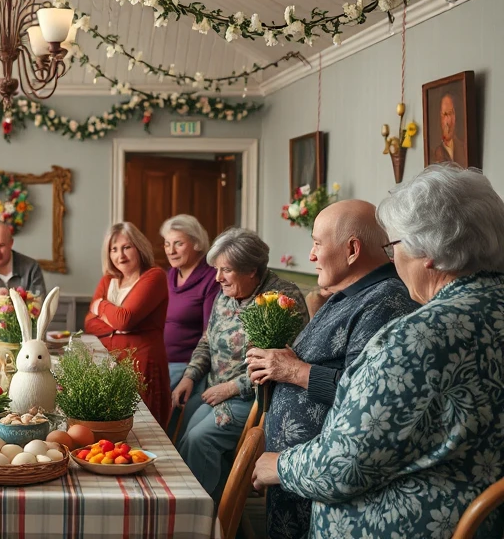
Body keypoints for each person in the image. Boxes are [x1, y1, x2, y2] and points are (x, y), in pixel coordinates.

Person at [253, 165, 504, 538]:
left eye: (395, 247)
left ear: (429, 252)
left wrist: (281, 466)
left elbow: (345, 465)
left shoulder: (418, 335)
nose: (394, 259)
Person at [246, 200, 418, 539]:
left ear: (352, 249)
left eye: (317, 244)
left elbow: (366, 400)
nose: (310, 255)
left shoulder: (386, 303)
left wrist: (292, 370)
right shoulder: (350, 294)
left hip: (322, 484)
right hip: (295, 474)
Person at [172, 227, 308, 500]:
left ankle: (207, 516)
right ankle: (214, 503)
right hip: (216, 390)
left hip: (258, 398)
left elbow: (284, 362)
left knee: (199, 441)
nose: (218, 278)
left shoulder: (281, 299)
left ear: (251, 270)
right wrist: (189, 375)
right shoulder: (227, 293)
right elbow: (207, 340)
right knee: (185, 434)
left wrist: (232, 387)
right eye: (216, 269)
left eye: (226, 270)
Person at [83, 222, 170, 426]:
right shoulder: (108, 280)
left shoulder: (154, 276)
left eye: (126, 247)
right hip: (110, 364)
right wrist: (120, 323)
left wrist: (101, 306)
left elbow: (125, 319)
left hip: (143, 365)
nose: (120, 255)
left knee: (147, 427)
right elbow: (89, 323)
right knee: (113, 425)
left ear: (139, 247)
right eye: (114, 249)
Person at [160, 215, 221, 391]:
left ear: (196, 243)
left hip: (184, 365)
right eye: (166, 244)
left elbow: (209, 334)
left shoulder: (211, 278)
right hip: (161, 360)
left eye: (178, 243)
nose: (171, 251)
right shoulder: (169, 275)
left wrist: (190, 372)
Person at [430, 93, 467, 164]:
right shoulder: (434, 152)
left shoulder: (463, 148)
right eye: (444, 114)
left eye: (450, 113)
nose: (448, 122)